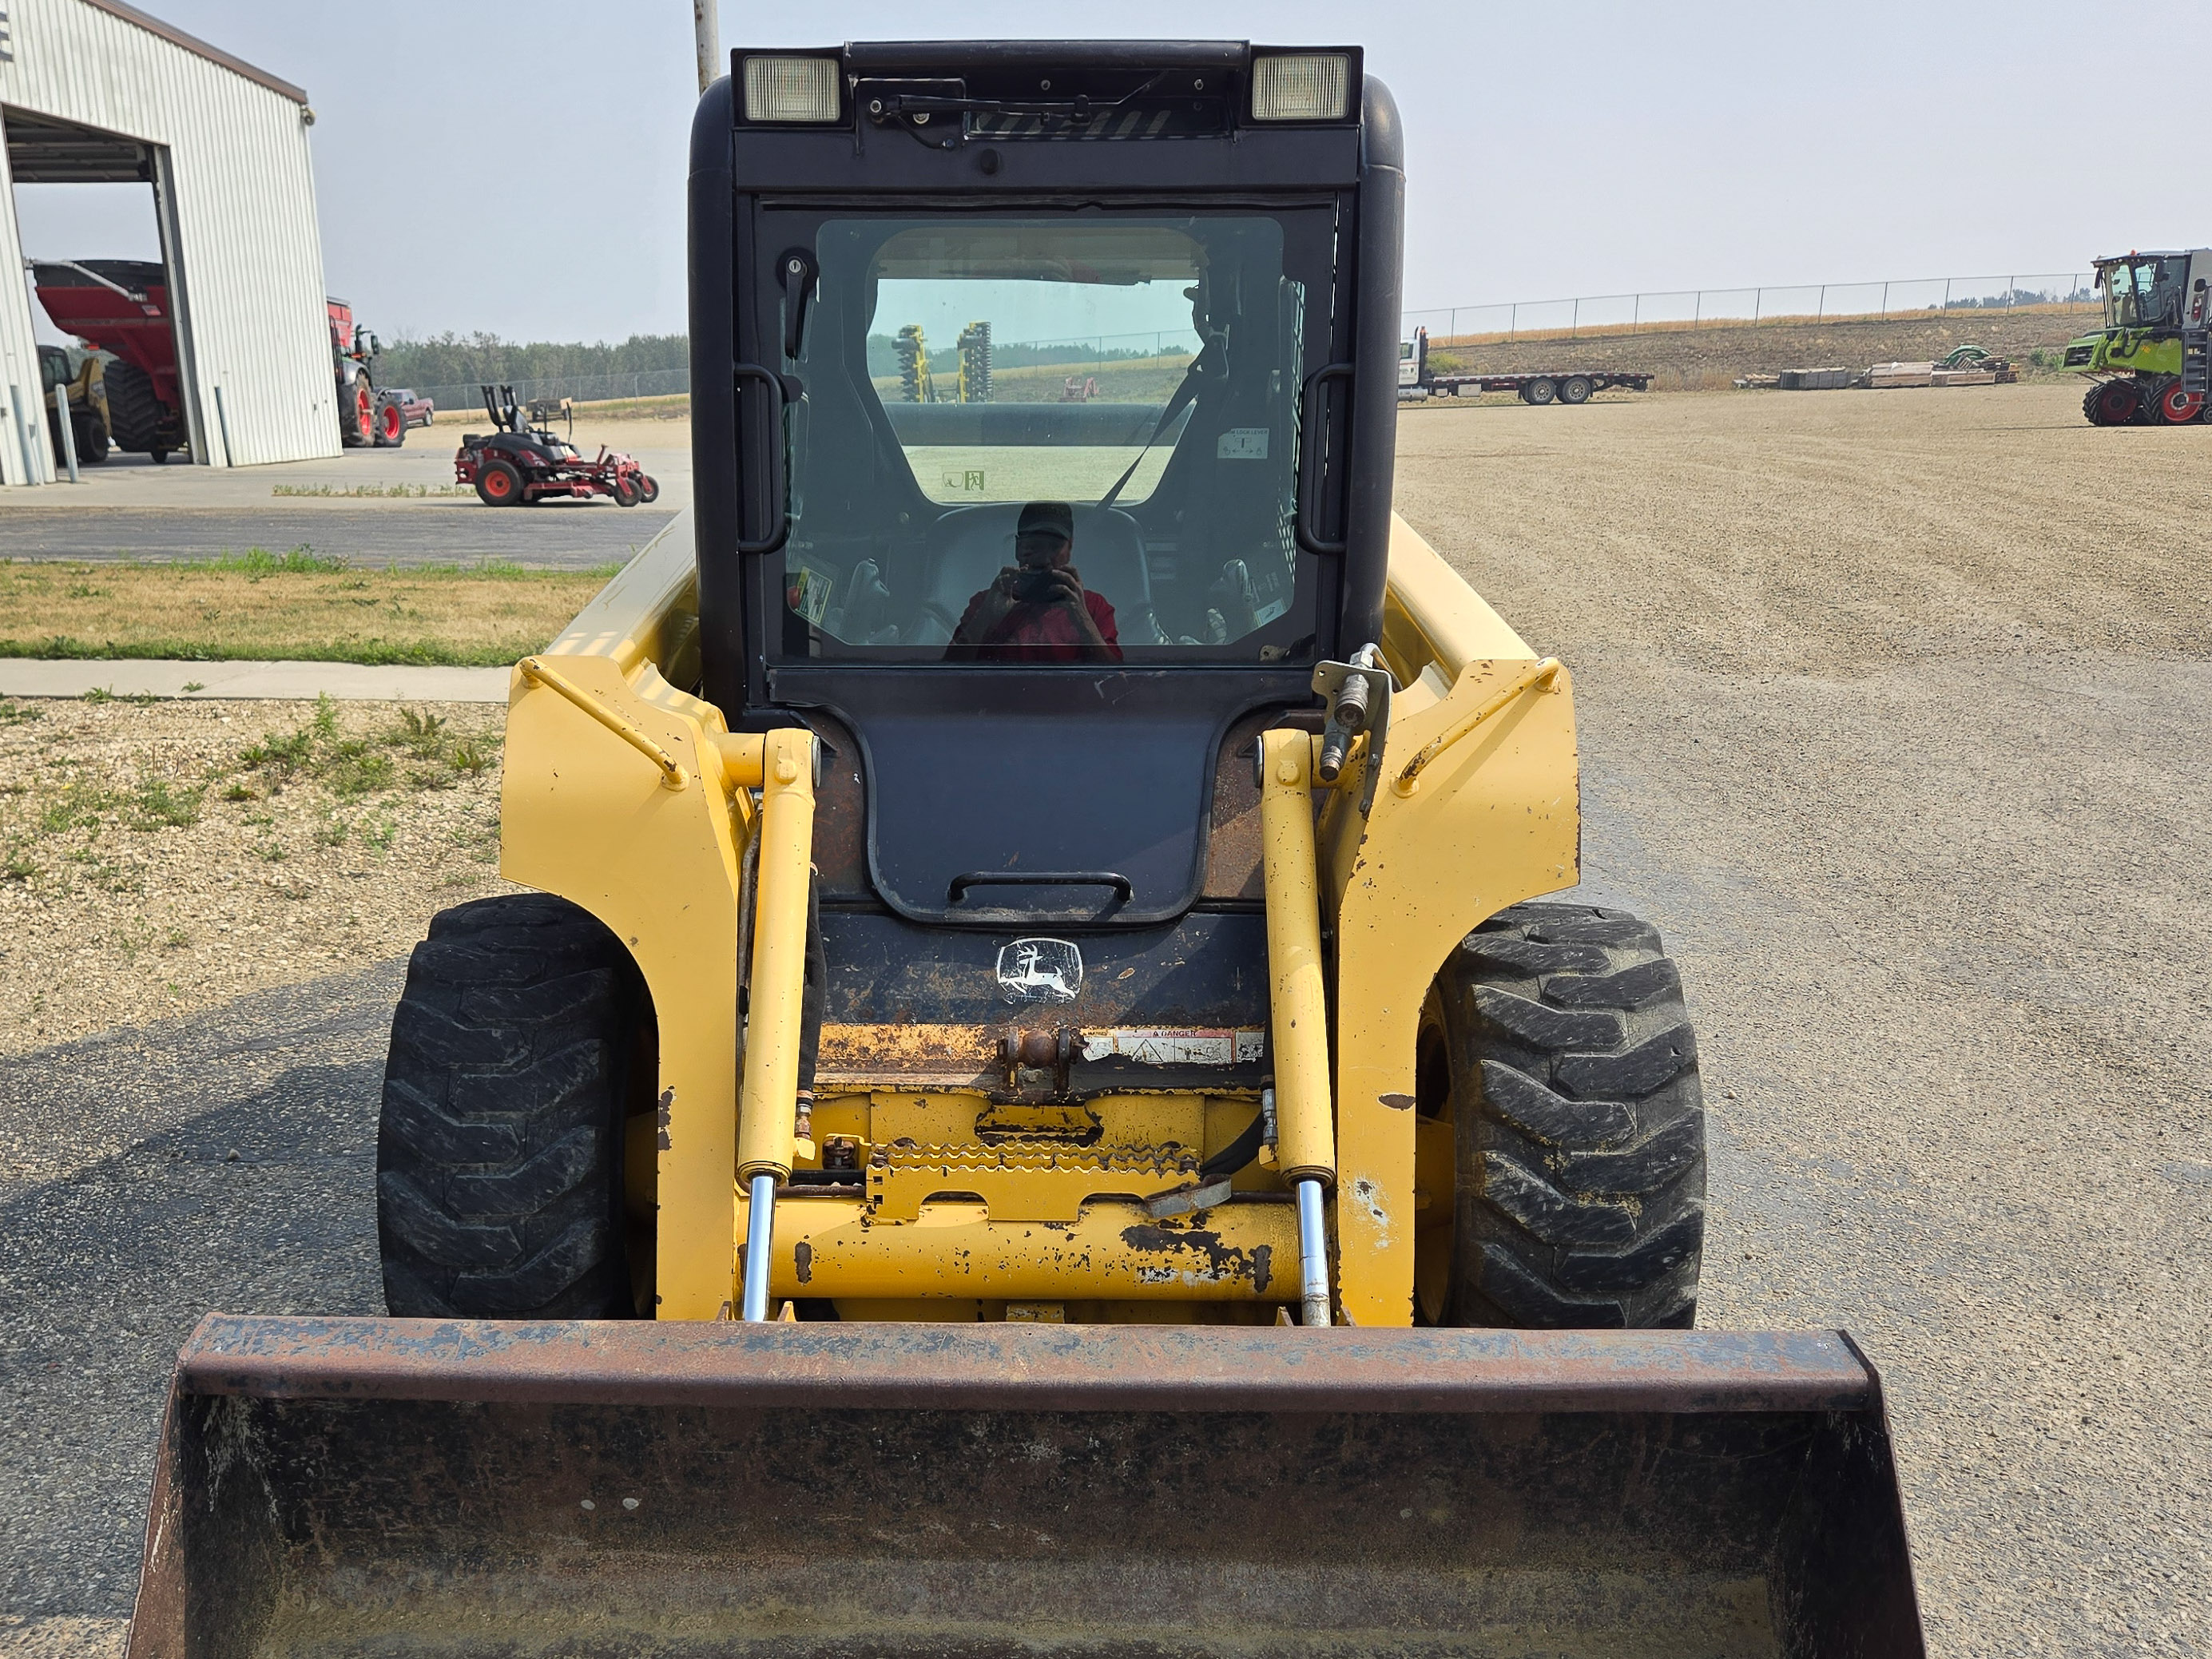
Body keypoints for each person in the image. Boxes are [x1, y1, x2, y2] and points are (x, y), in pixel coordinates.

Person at [947, 501, 1122, 664]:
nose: (1043, 559)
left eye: (1054, 547)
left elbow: (1118, 683)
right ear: (1018, 548)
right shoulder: (987, 603)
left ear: (1069, 549)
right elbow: (947, 674)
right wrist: (986, 617)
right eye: (1033, 546)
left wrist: (1082, 621)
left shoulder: (1092, 607)